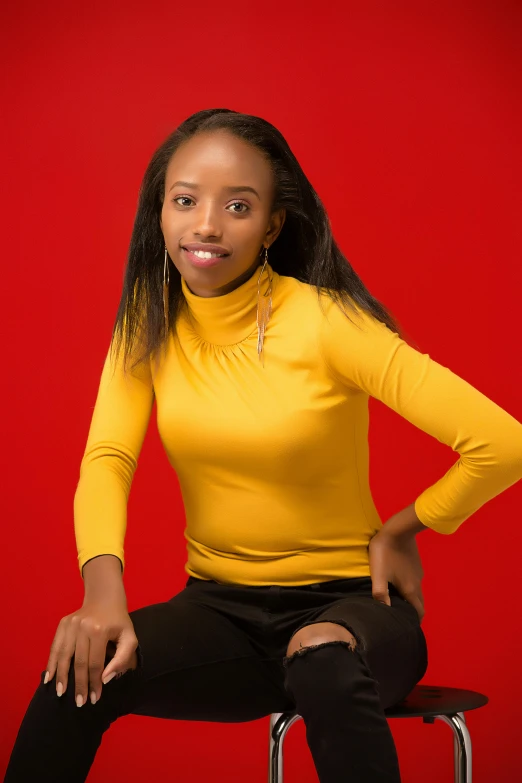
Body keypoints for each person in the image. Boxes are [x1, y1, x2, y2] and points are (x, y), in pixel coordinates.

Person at [5, 108, 522, 783]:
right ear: (158, 211)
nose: (207, 225)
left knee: (322, 656)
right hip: (222, 614)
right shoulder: (149, 319)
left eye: (238, 205)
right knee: (75, 673)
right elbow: (109, 458)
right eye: (185, 200)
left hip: (350, 614)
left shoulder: (328, 322)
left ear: (272, 225)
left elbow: (502, 442)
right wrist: (102, 597)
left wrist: (405, 529)